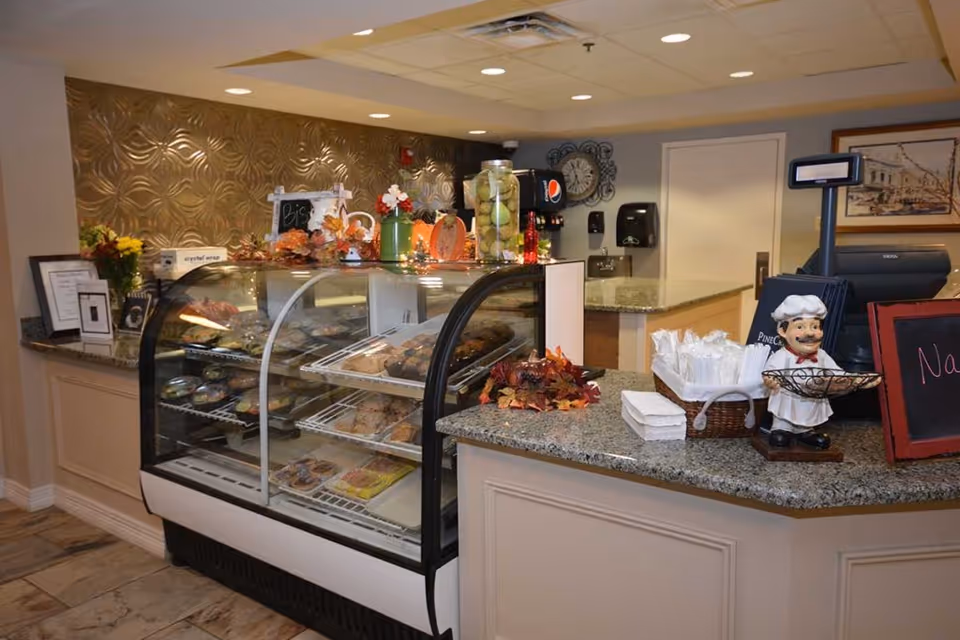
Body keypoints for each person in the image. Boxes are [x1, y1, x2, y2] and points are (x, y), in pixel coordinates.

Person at [762, 295, 839, 450]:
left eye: (815, 327)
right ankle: (782, 428)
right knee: (781, 431)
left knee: (808, 417)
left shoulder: (822, 356)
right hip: (787, 402)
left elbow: (837, 373)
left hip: (811, 402)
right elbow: (770, 372)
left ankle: (806, 431)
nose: (810, 333)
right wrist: (770, 380)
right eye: (800, 327)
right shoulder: (782, 356)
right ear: (783, 331)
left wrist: (851, 380)